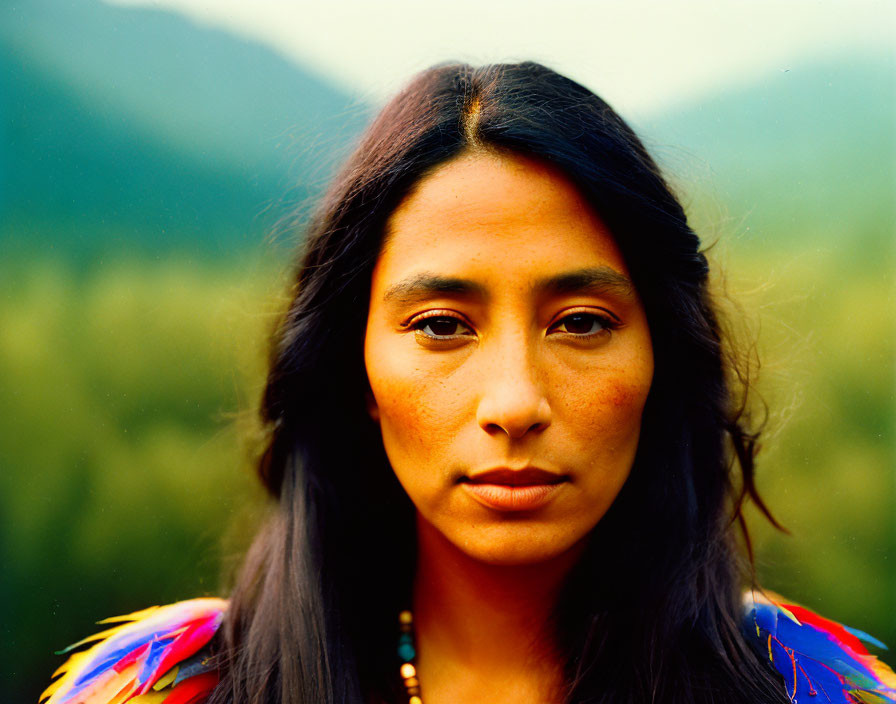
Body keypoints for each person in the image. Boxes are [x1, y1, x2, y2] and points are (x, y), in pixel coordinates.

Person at [39, 62, 895, 704]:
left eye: (582, 323)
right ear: (355, 367)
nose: (516, 402)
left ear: (662, 358)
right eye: (442, 326)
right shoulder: (169, 690)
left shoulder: (808, 688)